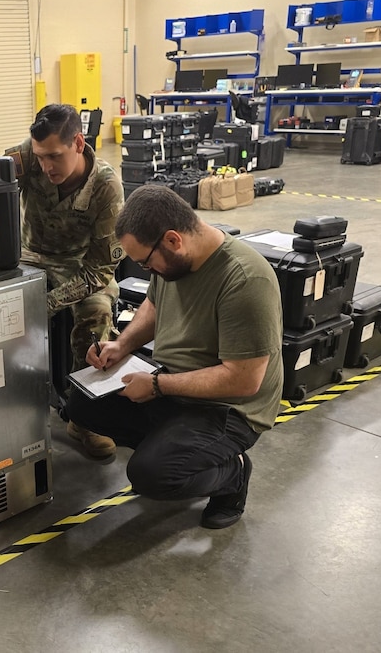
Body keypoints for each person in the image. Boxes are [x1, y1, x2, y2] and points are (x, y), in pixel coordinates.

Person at [67, 184, 283, 528]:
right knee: (79, 406)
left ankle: (232, 475)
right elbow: (154, 305)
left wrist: (157, 386)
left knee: (152, 476)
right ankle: (176, 448)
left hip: (229, 409)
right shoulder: (174, 263)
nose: (147, 270)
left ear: (172, 240)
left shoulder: (245, 280)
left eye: (145, 262)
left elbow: (244, 379)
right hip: (171, 381)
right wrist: (121, 346)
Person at [6, 104, 125, 458]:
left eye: (54, 156)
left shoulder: (106, 186)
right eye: (41, 157)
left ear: (78, 142)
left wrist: (48, 303)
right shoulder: (29, 154)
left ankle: (83, 419)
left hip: (81, 265)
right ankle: (5, 412)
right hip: (29, 257)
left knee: (97, 317)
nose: (46, 166)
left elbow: (101, 269)